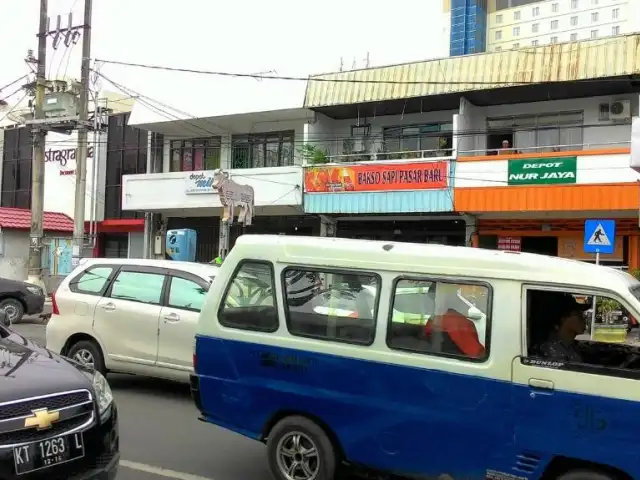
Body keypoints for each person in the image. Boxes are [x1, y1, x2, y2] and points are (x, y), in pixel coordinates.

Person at [538, 294, 590, 362]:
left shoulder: (569, 345)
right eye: (577, 314)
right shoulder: (553, 351)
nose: (583, 319)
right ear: (562, 319)